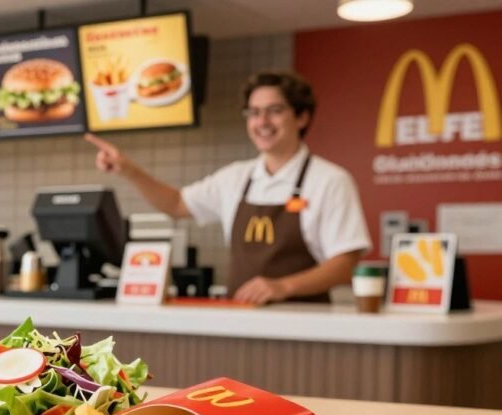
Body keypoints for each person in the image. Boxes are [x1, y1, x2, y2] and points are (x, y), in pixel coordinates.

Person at [85, 71, 371, 304]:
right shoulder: (236, 178)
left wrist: (283, 286)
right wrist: (128, 170)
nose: (262, 122)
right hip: (240, 317)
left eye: (275, 111)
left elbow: (345, 263)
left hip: (306, 321)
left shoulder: (330, 181)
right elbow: (176, 204)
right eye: (254, 112)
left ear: (302, 117)